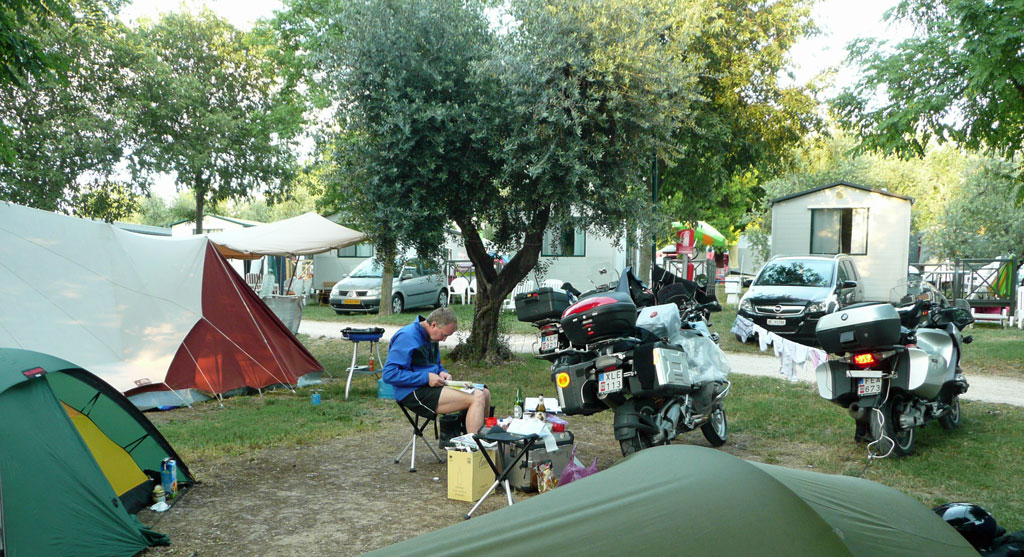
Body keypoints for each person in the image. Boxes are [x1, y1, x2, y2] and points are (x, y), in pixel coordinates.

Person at [382, 307, 491, 435]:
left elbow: (436, 364)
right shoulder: (406, 337)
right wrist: (426, 377)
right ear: (433, 325)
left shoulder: (432, 336)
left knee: (484, 393)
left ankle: (482, 439)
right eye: (444, 335)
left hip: (431, 386)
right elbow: (389, 374)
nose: (444, 339)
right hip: (411, 391)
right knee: (477, 397)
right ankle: (475, 445)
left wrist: (442, 372)